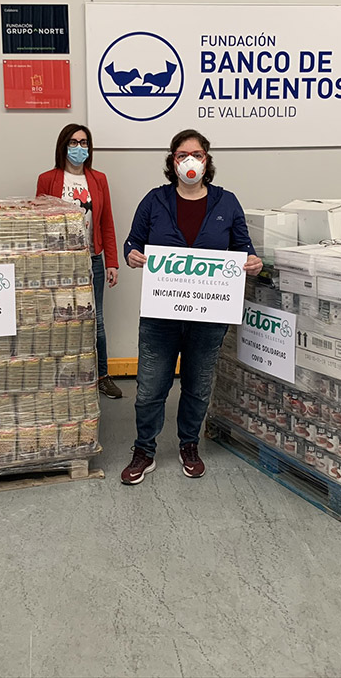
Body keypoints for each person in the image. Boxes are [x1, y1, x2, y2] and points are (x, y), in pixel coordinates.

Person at [121, 129, 262, 484]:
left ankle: (189, 444)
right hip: (161, 316)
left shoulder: (226, 202)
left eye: (197, 154)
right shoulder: (155, 201)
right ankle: (144, 449)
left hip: (208, 316)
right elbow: (132, 242)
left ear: (207, 160)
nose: (190, 161)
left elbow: (243, 247)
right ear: (173, 161)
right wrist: (132, 255)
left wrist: (252, 261)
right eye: (183, 154)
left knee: (198, 386)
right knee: (151, 387)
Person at [36, 123, 122, 399]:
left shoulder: (99, 180)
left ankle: (102, 376)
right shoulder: (47, 179)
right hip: (60, 263)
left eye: (84, 143)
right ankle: (63, 377)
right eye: (73, 143)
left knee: (96, 321)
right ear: (63, 146)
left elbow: (106, 223)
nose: (79, 148)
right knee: (60, 321)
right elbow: (40, 223)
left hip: (92, 260)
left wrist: (112, 262)